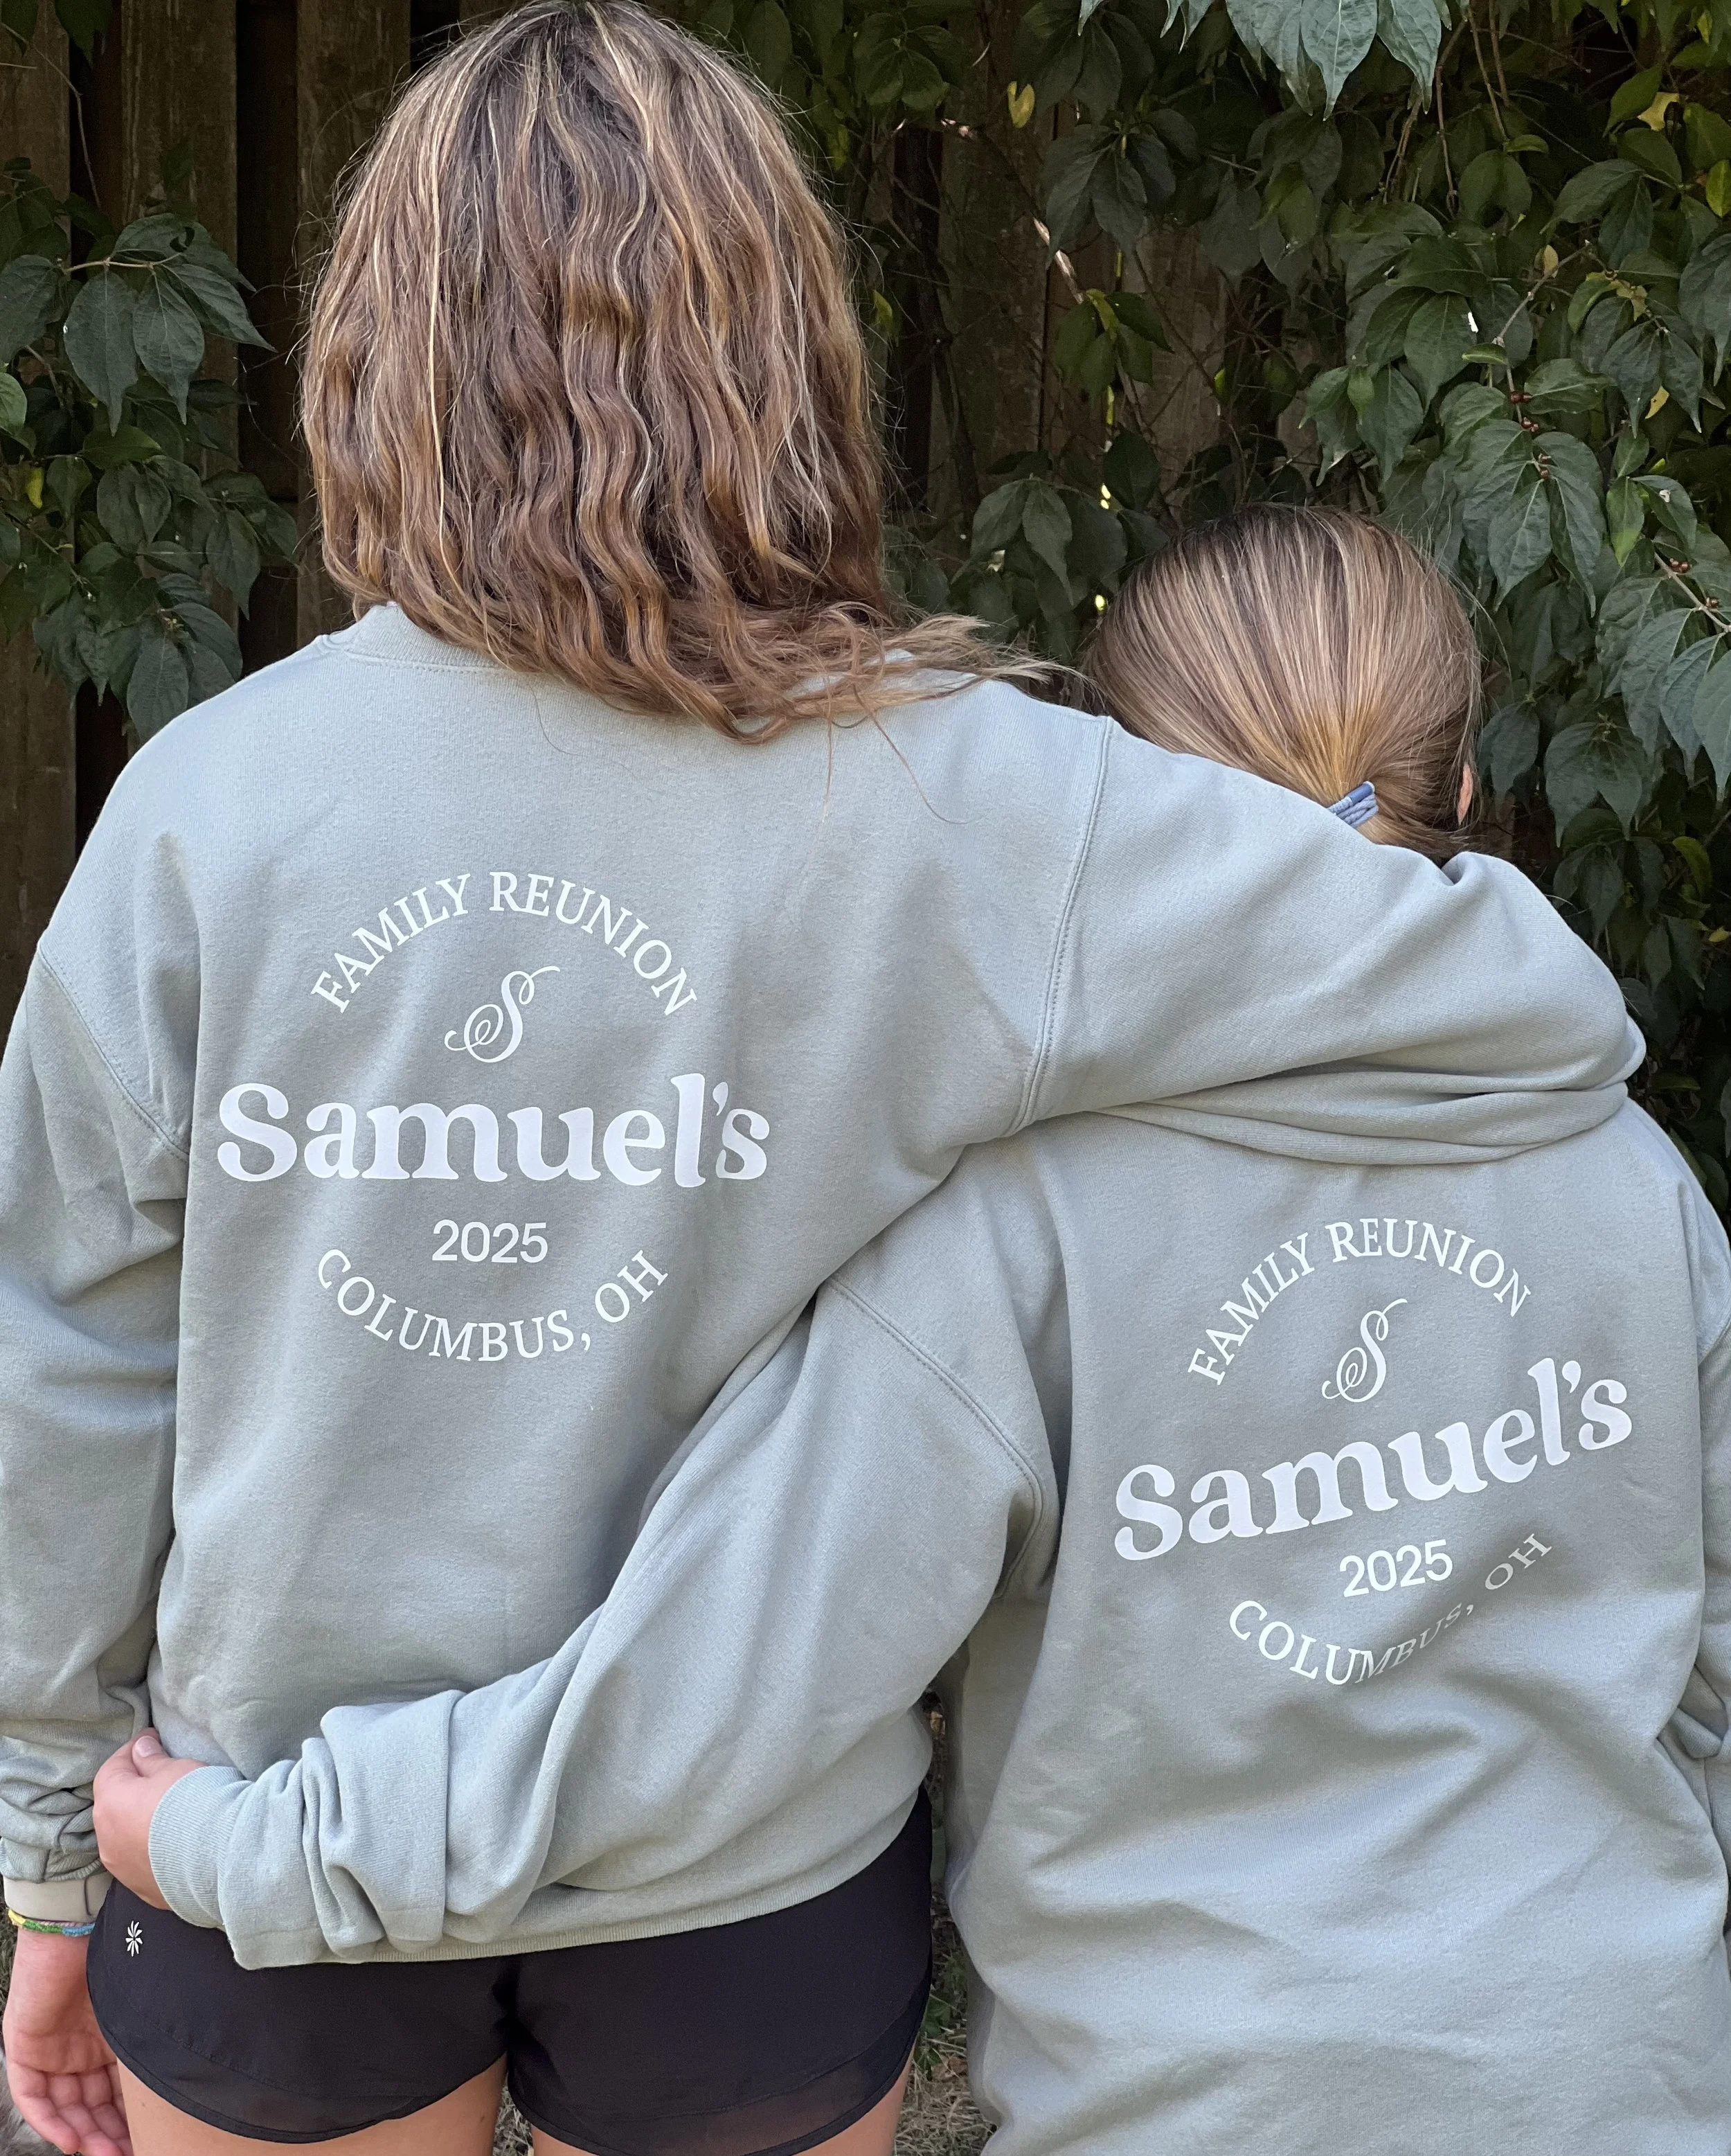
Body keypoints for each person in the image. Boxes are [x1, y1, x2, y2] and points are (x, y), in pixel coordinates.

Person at [0, 3, 1631, 2142]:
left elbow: (69, 1367)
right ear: (786, 354)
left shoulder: (210, 814)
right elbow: (1517, 1000)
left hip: (255, 1820)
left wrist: (47, 1858)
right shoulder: (981, 812)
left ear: (370, 357)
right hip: (738, 1877)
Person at [93, 511, 1725, 2156]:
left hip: (1183, 2103)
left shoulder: (1018, 1232)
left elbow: (712, 1699)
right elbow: (1707, 1692)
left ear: (1120, 799)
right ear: (1459, 777)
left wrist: (261, 1852)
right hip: (1623, 2077)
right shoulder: (1640, 1186)